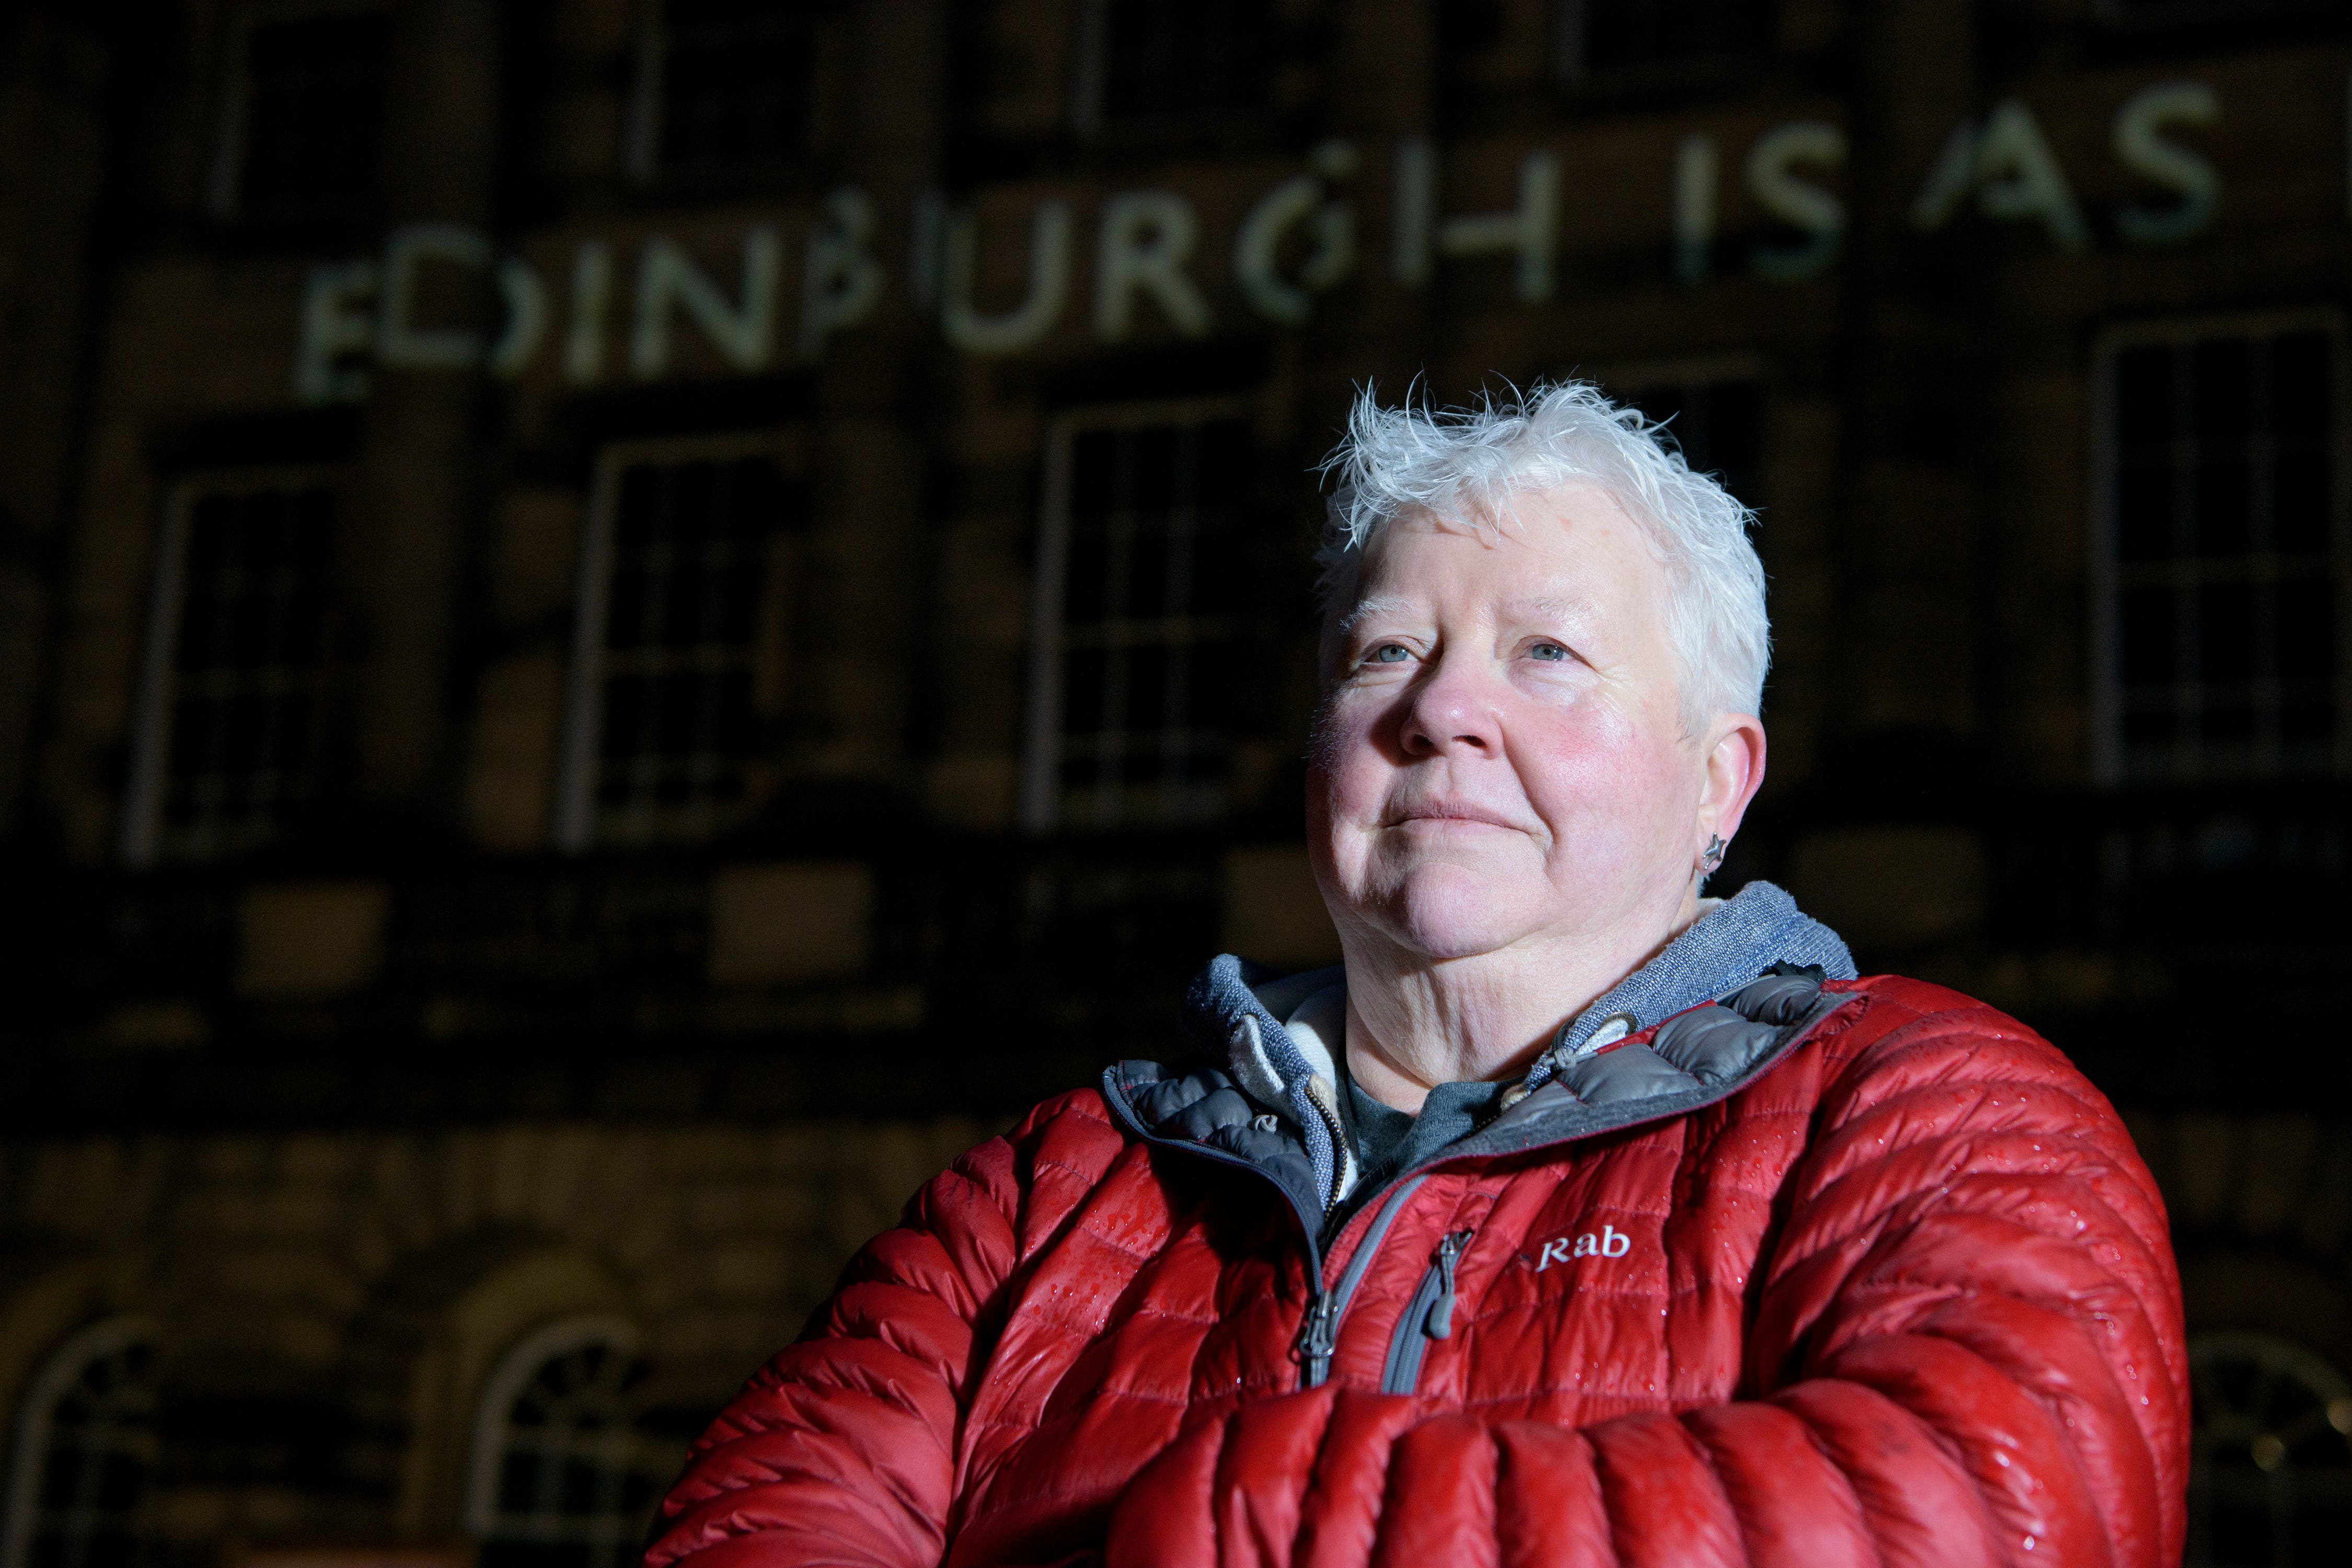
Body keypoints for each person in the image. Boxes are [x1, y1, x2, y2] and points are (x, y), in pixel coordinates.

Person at [643, 384, 2187, 1567]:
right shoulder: (1044, 1192)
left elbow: (1996, 1501)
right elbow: (759, 1519)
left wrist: (1275, 1519)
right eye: (1383, 653)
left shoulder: (1930, 1107)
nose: (1443, 707)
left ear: (1718, 780)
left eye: (1547, 656)